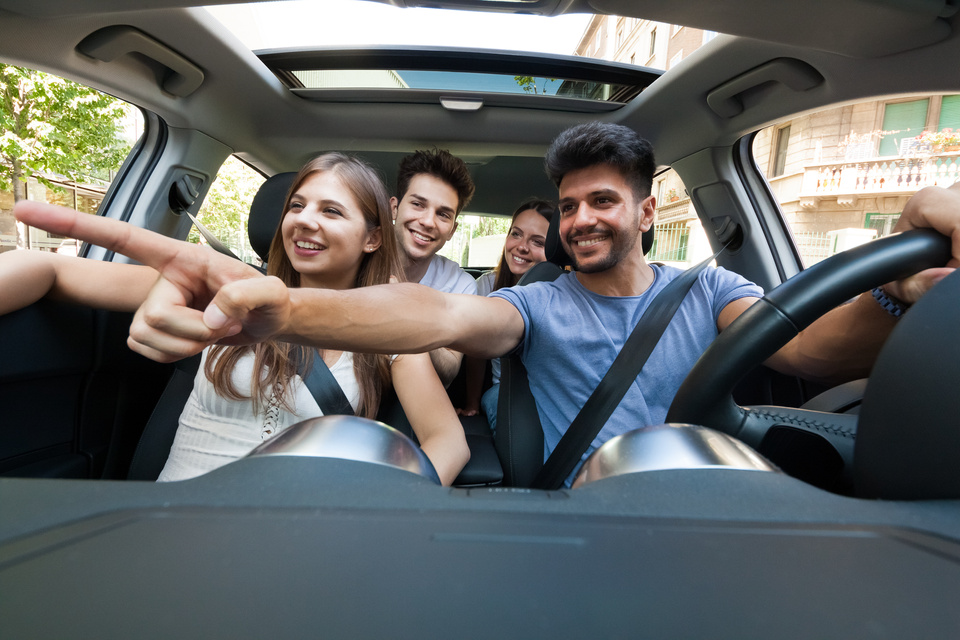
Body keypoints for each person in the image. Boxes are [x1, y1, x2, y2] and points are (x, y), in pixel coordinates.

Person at [14, 123, 960, 486]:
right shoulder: (534, 306)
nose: (583, 220)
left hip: (693, 492)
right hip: (567, 506)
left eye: (603, 201)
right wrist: (278, 314)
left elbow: (804, 354)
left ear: (647, 207)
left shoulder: (712, 290)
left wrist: (895, 290)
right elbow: (440, 320)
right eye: (572, 204)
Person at [2, 153, 470, 485]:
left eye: (331, 211)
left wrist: (382, 520)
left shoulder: (383, 335)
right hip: (169, 527)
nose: (305, 220)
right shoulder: (222, 289)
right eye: (296, 206)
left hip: (293, 545)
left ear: (372, 238)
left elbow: (449, 442)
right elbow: (48, 268)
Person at [457, 199, 554, 431]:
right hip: (504, 391)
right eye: (516, 234)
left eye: (537, 242)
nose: (521, 246)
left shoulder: (565, 291)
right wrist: (472, 403)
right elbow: (476, 352)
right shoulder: (487, 285)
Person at [390, 149, 478, 386]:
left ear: (452, 230)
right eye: (418, 204)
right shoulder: (358, 261)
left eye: (443, 214)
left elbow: (449, 370)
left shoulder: (460, 285)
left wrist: (407, 310)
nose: (428, 222)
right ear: (394, 208)